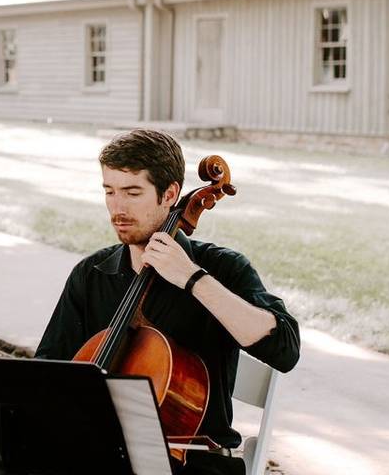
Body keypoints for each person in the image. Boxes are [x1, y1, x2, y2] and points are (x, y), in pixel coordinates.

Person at [36, 129, 299, 475]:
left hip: (194, 464)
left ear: (170, 194)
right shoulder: (91, 275)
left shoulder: (223, 268)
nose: (117, 207)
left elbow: (284, 349)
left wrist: (192, 279)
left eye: (132, 192)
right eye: (109, 191)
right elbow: (46, 378)